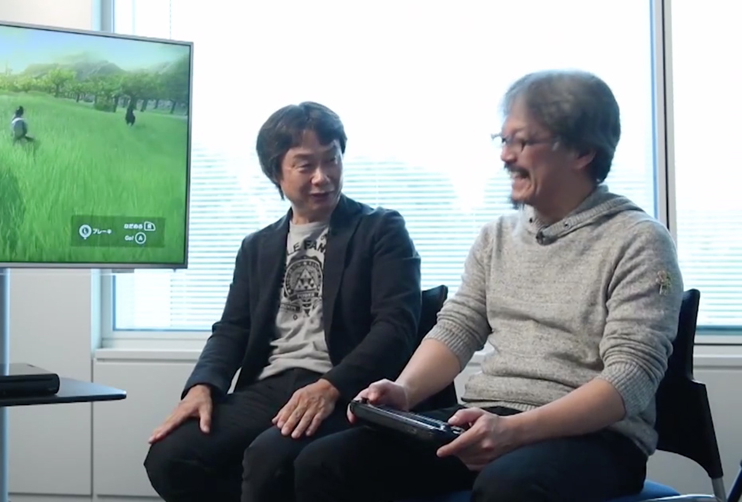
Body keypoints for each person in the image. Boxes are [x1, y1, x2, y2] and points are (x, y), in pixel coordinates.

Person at [293, 70, 685, 502]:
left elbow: (631, 378)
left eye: (523, 142)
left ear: (583, 151)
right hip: (489, 416)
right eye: (504, 140)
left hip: (595, 438)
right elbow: (458, 328)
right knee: (325, 463)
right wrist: (405, 390)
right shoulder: (497, 236)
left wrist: (516, 431)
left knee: (507, 486)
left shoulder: (638, 240)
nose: (506, 156)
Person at [143, 101, 423, 502]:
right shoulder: (257, 247)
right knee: (170, 457)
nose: (323, 177)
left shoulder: (380, 230)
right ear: (276, 172)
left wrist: (330, 386)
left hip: (345, 386)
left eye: (332, 159)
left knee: (268, 459)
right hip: (269, 386)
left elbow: (395, 327)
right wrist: (202, 386)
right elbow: (232, 329)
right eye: (305, 165)